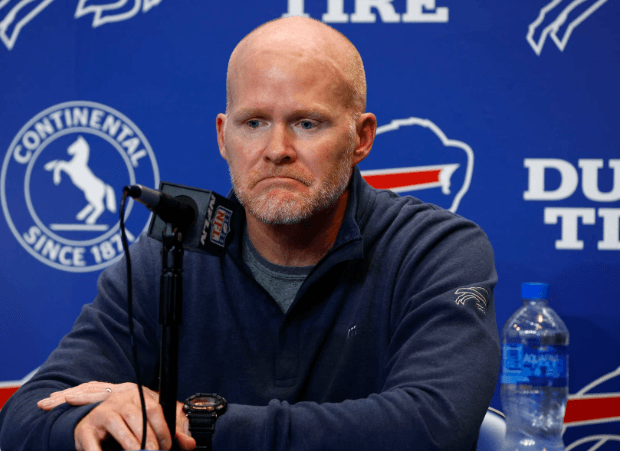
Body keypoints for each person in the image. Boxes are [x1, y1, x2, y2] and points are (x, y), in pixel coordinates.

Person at [0, 16, 500, 451]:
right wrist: (88, 420)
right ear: (224, 136)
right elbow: (27, 415)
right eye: (254, 122)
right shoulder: (171, 252)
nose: (276, 149)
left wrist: (194, 423)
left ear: (361, 138)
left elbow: (435, 427)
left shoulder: (435, 250)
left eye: (307, 123)